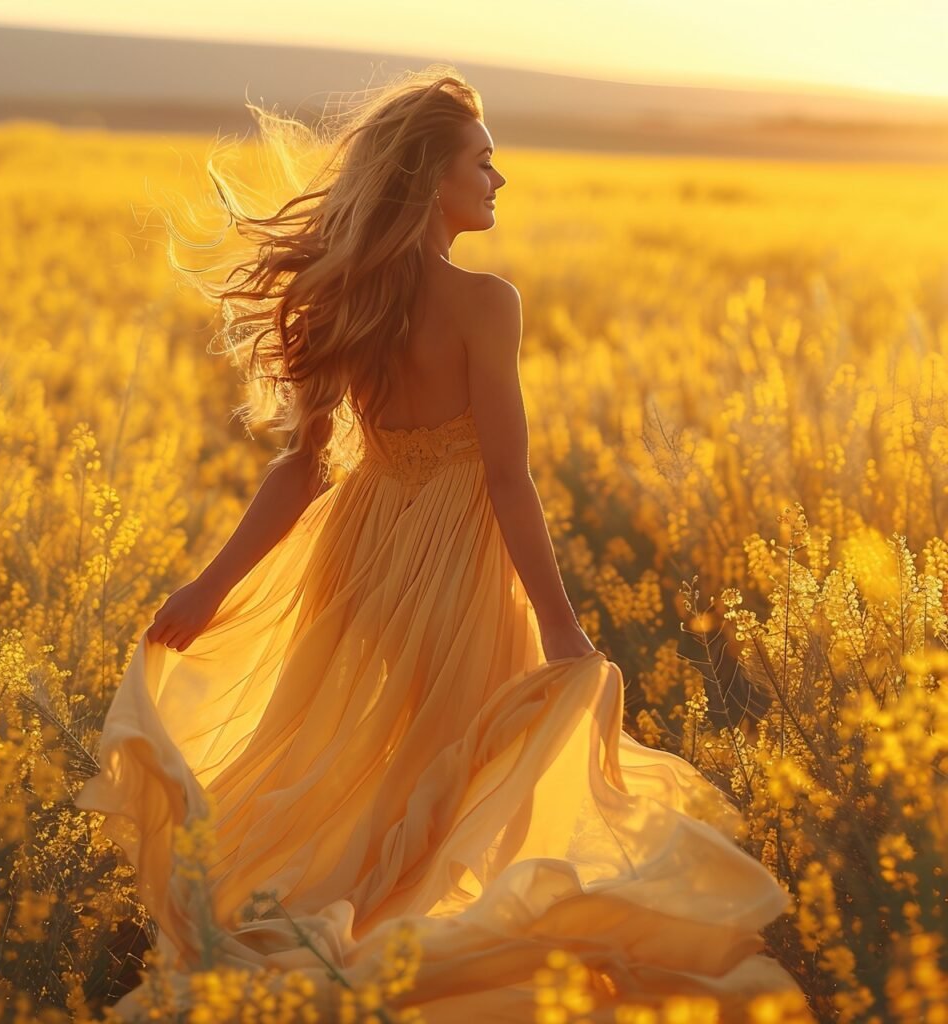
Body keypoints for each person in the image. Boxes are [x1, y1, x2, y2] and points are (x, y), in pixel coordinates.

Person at [74, 66, 811, 1022]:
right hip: (459, 569)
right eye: (484, 160)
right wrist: (564, 631)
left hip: (363, 555)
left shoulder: (350, 298)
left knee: (383, 777)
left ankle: (337, 947)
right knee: (464, 788)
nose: (499, 178)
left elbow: (300, 470)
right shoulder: (486, 303)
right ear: (431, 181)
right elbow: (508, 481)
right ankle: (394, 970)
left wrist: (207, 589)